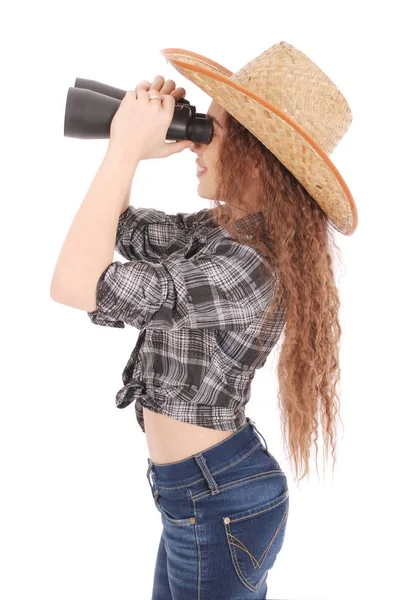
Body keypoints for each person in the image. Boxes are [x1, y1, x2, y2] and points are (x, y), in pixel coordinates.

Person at [51, 42, 358, 599]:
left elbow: (76, 284)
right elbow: (114, 229)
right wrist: (137, 145)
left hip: (218, 504)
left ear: (259, 156)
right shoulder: (221, 234)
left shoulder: (247, 269)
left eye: (212, 130)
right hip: (201, 495)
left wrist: (123, 147)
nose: (197, 142)